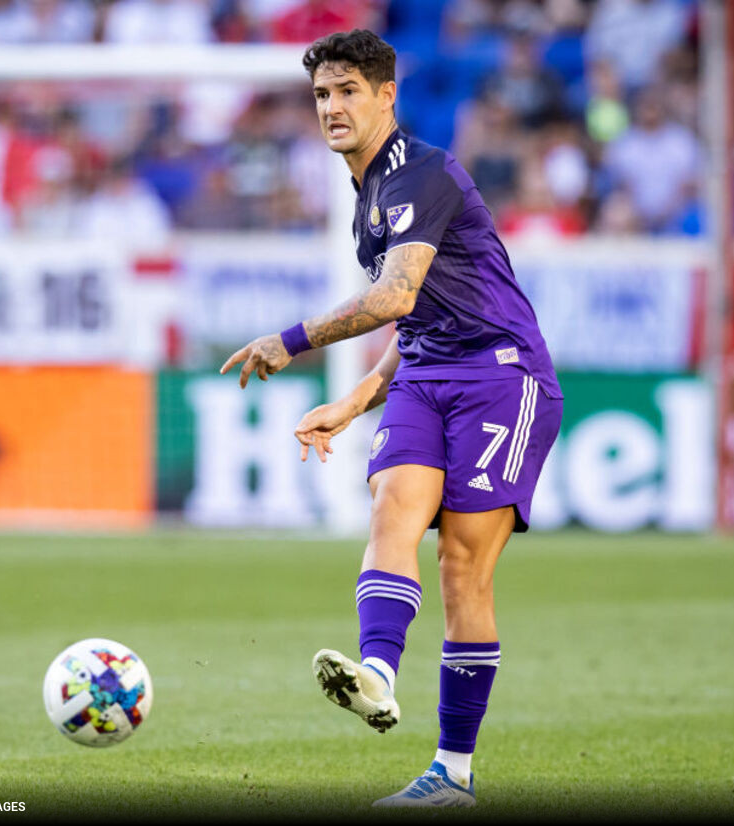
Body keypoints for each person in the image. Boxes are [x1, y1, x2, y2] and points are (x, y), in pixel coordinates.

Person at [219, 28, 562, 808]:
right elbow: (417, 323)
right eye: (320, 95)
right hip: (426, 372)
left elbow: (395, 297)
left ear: (387, 96)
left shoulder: (422, 174)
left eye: (347, 92)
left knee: (462, 569)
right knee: (390, 508)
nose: (331, 108)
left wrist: (291, 341)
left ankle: (453, 774)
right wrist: (356, 396)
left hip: (501, 377)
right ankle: (376, 673)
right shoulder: (367, 197)